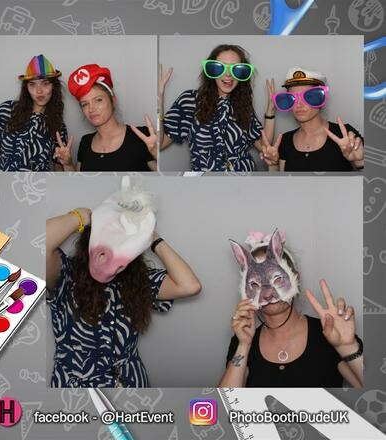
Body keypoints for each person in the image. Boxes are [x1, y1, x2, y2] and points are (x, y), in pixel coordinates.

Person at [46, 208, 202, 387]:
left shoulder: (139, 280)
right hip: (75, 389)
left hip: (130, 384)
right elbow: (43, 243)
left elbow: (190, 286)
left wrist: (151, 237)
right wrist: (80, 217)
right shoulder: (67, 276)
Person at [219, 230, 363, 388]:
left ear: (296, 279)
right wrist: (243, 345)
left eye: (277, 279)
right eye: (255, 284)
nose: (267, 294)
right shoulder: (243, 340)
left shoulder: (330, 332)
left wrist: (347, 346)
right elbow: (225, 401)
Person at [160, 45, 275, 171]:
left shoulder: (242, 104)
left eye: (235, 69)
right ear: (211, 70)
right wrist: (159, 99)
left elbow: (265, 146)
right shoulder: (190, 100)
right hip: (205, 180)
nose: (228, 74)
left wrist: (271, 110)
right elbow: (160, 143)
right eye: (220, 67)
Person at [54, 64, 158, 171]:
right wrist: (68, 164)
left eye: (98, 100)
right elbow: (79, 180)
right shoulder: (85, 142)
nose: (91, 109)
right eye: (85, 104)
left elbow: (162, 179)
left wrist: (156, 154)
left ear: (113, 100)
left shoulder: (141, 136)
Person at [261, 67, 364, 171]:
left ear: (321, 99)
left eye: (308, 97)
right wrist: (273, 165)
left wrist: (360, 162)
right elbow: (283, 180)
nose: (299, 105)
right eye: (292, 98)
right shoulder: (285, 140)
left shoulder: (346, 135)